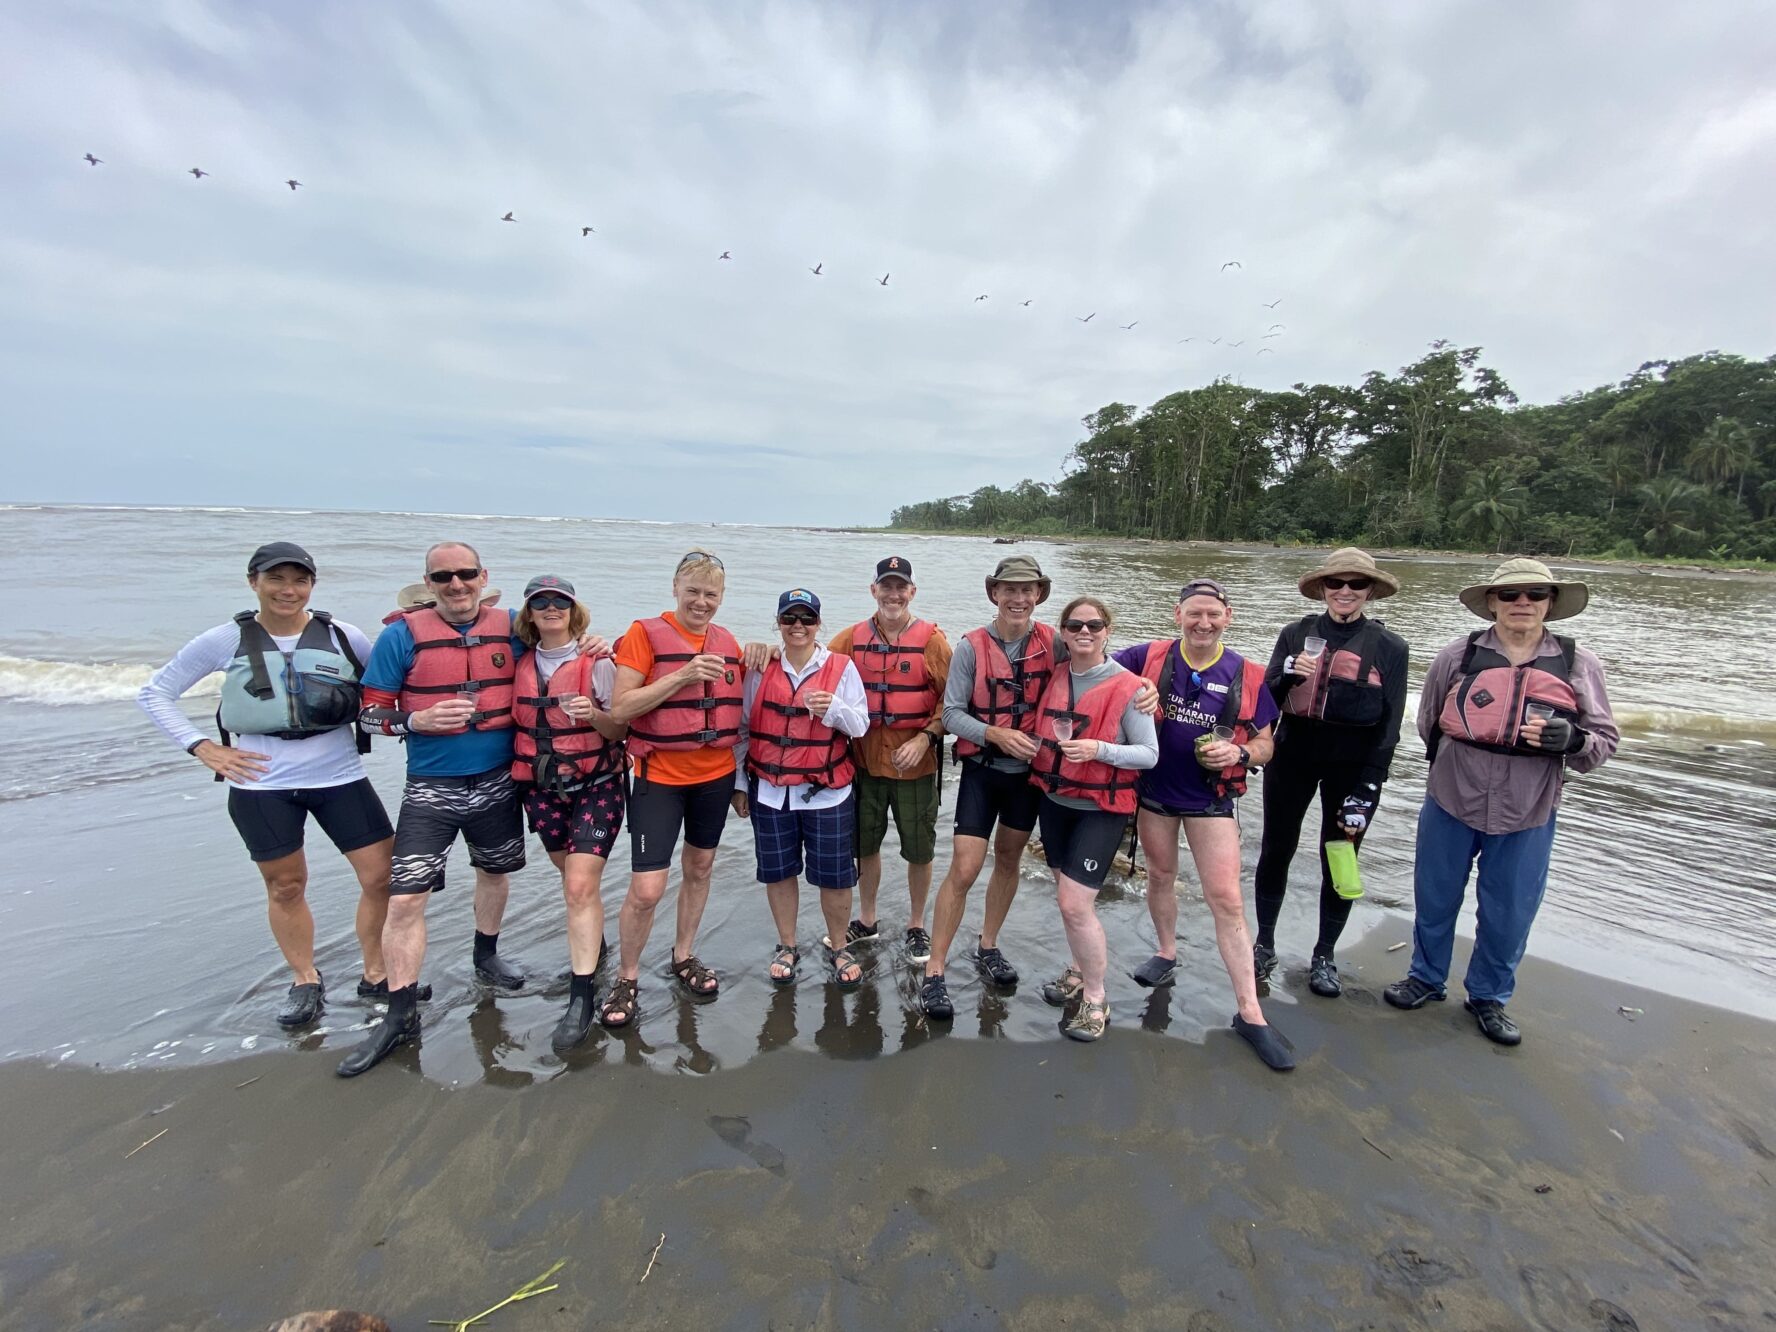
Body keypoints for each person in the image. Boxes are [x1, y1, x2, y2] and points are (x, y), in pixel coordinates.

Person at [138, 542, 392, 1030]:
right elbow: (156, 693)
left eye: (299, 580)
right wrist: (201, 746)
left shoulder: (343, 635)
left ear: (312, 586)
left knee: (380, 876)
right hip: (260, 784)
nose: (288, 590)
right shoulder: (222, 640)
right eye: (276, 579)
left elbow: (389, 677)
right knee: (285, 885)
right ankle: (304, 979)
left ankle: (376, 971)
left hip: (340, 776)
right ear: (253, 581)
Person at [1385, 559, 1618, 1046]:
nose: (1522, 603)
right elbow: (1429, 721)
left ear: (1550, 603)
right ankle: (1425, 978)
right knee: (1435, 895)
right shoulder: (1458, 655)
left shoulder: (1578, 664)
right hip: (1452, 793)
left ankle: (1489, 997)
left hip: (1529, 805)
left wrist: (1570, 740)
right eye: (1510, 594)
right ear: (1492, 601)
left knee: (1510, 908)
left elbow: (1602, 742)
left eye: (1535, 594)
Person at [337, 541, 530, 1078]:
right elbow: (368, 716)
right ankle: (400, 1014)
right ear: (429, 583)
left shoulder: (514, 627)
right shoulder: (401, 636)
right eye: (443, 577)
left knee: (494, 871)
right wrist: (414, 722)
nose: (456, 584)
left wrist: (598, 645)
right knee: (405, 900)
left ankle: (486, 955)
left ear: (483, 576)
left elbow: (565, 650)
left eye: (465, 574)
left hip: (498, 781)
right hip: (431, 788)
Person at [1111, 578, 1294, 1071]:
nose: (1203, 623)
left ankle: (1250, 1012)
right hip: (1154, 794)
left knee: (1227, 899)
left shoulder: (1248, 673)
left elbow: (1266, 744)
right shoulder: (1146, 658)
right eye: (1194, 613)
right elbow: (1090, 658)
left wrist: (1238, 751)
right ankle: (1166, 952)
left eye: (1213, 614)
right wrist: (1133, 695)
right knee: (1161, 875)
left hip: (1211, 799)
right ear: (1178, 615)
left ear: (1227, 618)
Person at [1252, 549, 1410, 998]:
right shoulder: (1295, 633)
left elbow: (1390, 725)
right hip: (1293, 753)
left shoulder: (1389, 647)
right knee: (1276, 848)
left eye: (1356, 584)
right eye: (1336, 583)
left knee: (1340, 854)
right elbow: (1265, 703)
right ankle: (1264, 942)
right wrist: (1286, 674)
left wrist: (1369, 785)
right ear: (1322, 589)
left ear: (1369, 592)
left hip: (1353, 764)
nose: (1345, 591)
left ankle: (1324, 953)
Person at [602, 549, 745, 1027]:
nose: (701, 602)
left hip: (715, 776)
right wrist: (683, 673)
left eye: (710, 594)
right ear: (675, 589)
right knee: (646, 889)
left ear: (722, 598)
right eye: (693, 592)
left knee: (700, 867)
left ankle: (683, 955)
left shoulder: (729, 643)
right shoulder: (644, 634)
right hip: (658, 777)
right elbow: (621, 709)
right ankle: (626, 977)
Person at [917, 555, 1058, 1019]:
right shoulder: (970, 648)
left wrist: (1143, 689)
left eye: (1027, 590)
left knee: (1010, 858)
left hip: (1028, 779)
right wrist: (995, 734)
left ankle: (988, 945)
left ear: (1038, 594)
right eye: (1009, 590)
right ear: (994, 593)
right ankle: (934, 970)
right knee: (964, 868)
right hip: (983, 772)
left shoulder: (1055, 644)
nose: (1019, 598)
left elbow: (1099, 670)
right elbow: (953, 713)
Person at [509, 575, 627, 1053]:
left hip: (597, 783)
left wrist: (593, 716)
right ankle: (594, 949)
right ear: (530, 614)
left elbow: (620, 727)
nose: (552, 608)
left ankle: (582, 996)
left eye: (561, 602)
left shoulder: (597, 662)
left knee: (579, 884)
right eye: (542, 602)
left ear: (574, 611)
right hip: (541, 785)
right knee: (570, 879)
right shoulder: (517, 661)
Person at [1032, 598, 1158, 1041]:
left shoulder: (1132, 687)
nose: (1084, 632)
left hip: (1101, 810)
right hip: (1055, 802)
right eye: (1075, 625)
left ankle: (1096, 999)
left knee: (1074, 904)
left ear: (1108, 631)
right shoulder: (1058, 674)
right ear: (1063, 633)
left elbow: (1149, 754)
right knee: (1067, 900)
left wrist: (1099, 750)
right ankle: (1077, 970)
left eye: (1094, 625)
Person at [735, 589, 871, 989]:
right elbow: (743, 729)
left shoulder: (841, 667)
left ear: (818, 624)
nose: (798, 626)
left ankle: (840, 945)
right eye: (789, 618)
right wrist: (740, 785)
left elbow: (861, 725)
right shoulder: (759, 668)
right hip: (771, 791)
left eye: (806, 619)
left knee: (836, 877)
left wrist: (833, 709)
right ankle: (788, 945)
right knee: (778, 873)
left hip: (827, 791)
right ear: (778, 622)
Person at [826, 556, 951, 961]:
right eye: (886, 586)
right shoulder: (849, 639)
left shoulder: (933, 641)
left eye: (901, 587)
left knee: (920, 849)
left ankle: (917, 925)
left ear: (912, 592)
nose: (893, 594)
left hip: (916, 767)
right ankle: (866, 919)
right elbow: (809, 664)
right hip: (864, 766)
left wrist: (925, 738)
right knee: (865, 846)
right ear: (873, 590)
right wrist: (763, 654)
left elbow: (953, 704)